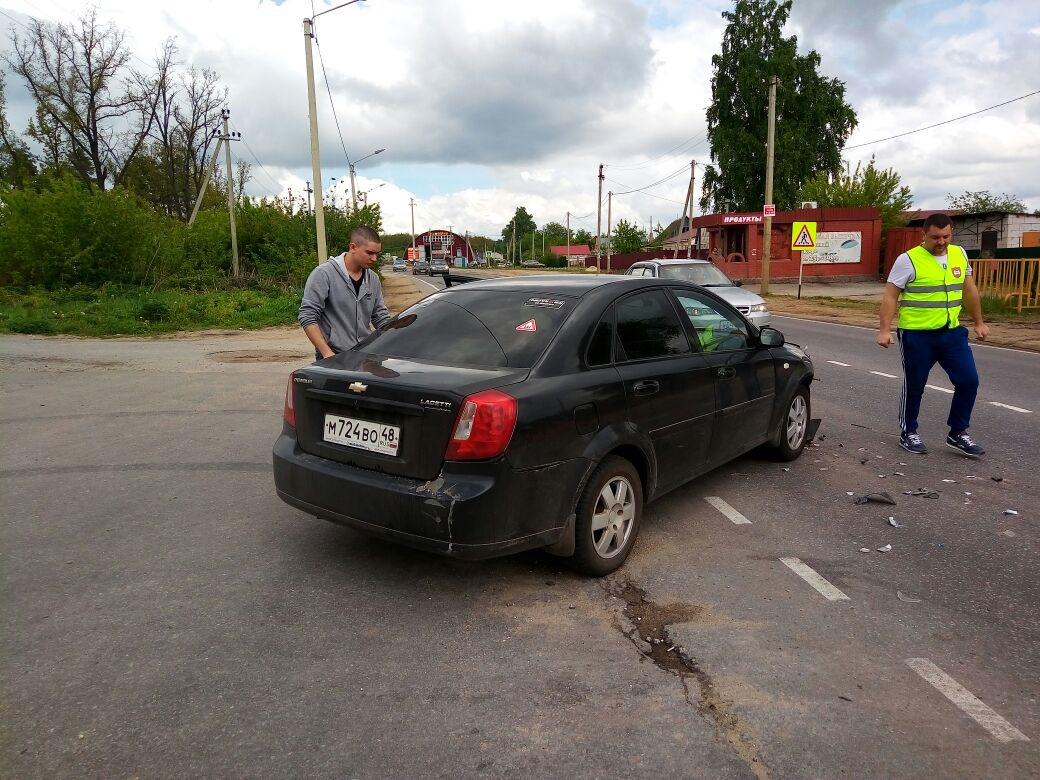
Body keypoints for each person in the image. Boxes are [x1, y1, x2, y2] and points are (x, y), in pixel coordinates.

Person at [877, 213, 989, 457]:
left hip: (952, 333)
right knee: (915, 384)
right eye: (936, 237)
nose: (941, 241)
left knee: (969, 380)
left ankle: (958, 432)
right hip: (917, 335)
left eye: (946, 236)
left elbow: (969, 290)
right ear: (924, 235)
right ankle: (909, 432)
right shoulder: (908, 260)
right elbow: (890, 296)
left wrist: (979, 322)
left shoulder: (959, 254)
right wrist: (884, 330)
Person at [299, 225, 391, 360]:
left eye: (377, 254)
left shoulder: (373, 279)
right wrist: (327, 353)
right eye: (369, 253)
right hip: (334, 356)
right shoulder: (324, 274)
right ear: (353, 247)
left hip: (365, 355)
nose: (374, 259)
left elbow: (380, 316)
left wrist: (396, 338)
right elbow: (307, 316)